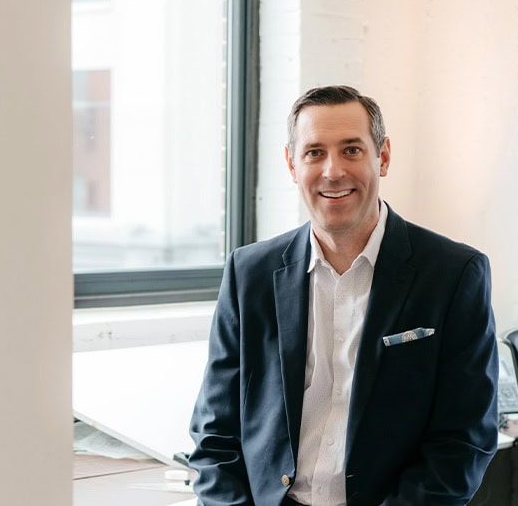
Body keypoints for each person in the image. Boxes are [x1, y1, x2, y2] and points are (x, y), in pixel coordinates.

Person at [188, 85, 498, 505]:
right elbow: (214, 433)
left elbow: (464, 440)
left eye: (351, 150)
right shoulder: (249, 273)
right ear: (292, 164)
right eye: (314, 152)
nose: (333, 171)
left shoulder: (454, 274)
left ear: (382, 157)